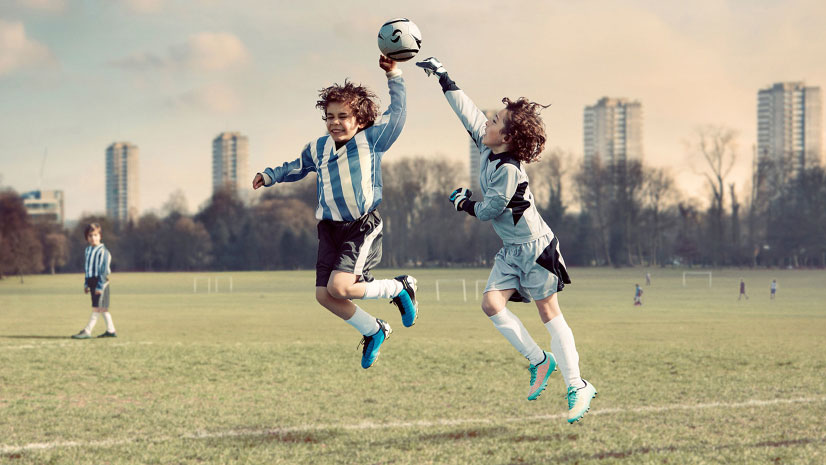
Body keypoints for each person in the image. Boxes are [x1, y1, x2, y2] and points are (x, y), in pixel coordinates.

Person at [416, 57, 595, 423]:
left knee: (549, 313)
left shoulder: (509, 171)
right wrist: (442, 76)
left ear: (508, 137)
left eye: (495, 121)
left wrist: (463, 202)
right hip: (512, 251)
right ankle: (539, 361)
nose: (488, 121)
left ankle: (577, 385)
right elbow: (467, 112)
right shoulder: (488, 145)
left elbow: (489, 211)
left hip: (537, 249)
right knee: (491, 304)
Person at [252, 56, 417, 370]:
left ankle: (399, 287)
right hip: (328, 229)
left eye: (343, 116)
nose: (335, 123)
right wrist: (271, 175)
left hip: (361, 226)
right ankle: (374, 330)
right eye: (330, 117)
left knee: (340, 288)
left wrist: (395, 74)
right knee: (325, 296)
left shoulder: (372, 140)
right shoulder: (318, 148)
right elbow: (296, 167)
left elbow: (398, 116)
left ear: (360, 119)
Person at [71, 223, 117, 339]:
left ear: (100, 236)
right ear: (87, 238)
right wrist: (86, 283)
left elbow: (104, 270)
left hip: (101, 282)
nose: (93, 238)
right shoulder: (88, 251)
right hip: (91, 281)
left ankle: (87, 330)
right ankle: (111, 331)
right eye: (90, 236)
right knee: (102, 308)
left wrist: (100, 286)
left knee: (97, 307)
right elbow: (87, 268)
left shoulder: (103, 251)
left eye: (95, 235)